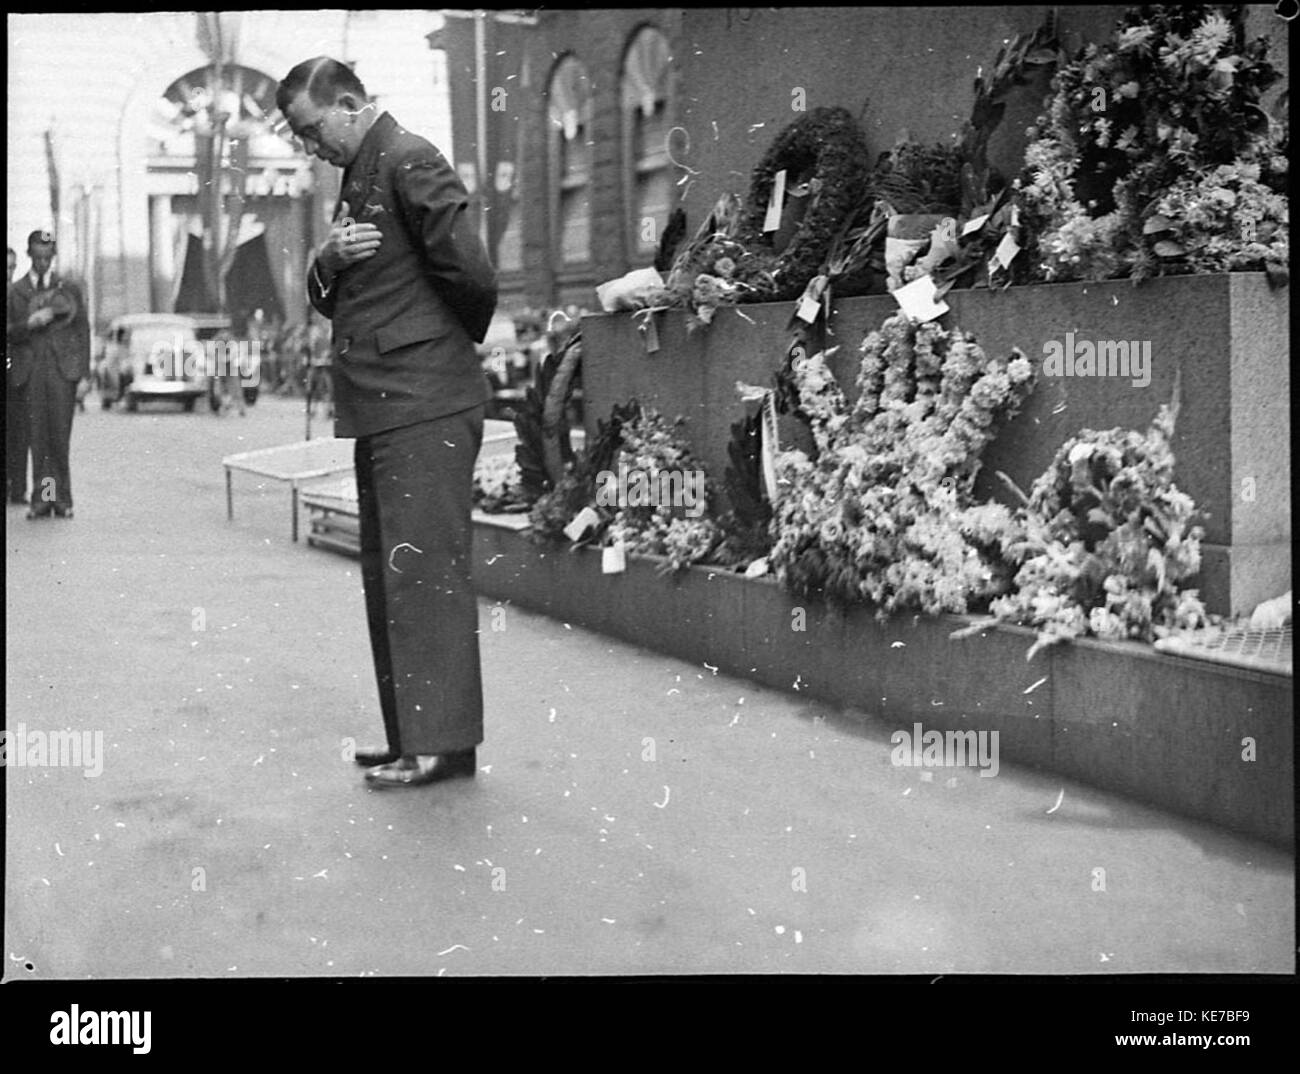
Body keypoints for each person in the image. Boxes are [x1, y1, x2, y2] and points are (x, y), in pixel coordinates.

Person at [277, 57, 497, 787]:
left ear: (347, 103)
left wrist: (437, 353)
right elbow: (346, 294)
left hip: (423, 403)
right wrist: (324, 260)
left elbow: (472, 274)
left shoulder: (409, 158)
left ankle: (438, 745)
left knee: (421, 577)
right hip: (390, 406)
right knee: (392, 576)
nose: (312, 149)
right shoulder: (363, 170)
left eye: (312, 131)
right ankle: (418, 736)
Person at [5, 230, 90, 519]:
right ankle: (43, 499)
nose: (42, 263)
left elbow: (82, 331)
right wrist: (29, 323)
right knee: (38, 440)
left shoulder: (69, 289)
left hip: (61, 373)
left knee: (59, 438)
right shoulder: (15, 292)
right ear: (29, 255)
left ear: (53, 257)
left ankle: (62, 500)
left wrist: (84, 375)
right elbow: (9, 332)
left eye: (47, 257)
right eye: (37, 257)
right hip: (30, 375)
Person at [6, 246, 31, 505]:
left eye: (12, 268)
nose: (9, 274)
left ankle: (18, 489)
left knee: (19, 433)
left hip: (17, 374)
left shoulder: (19, 296)